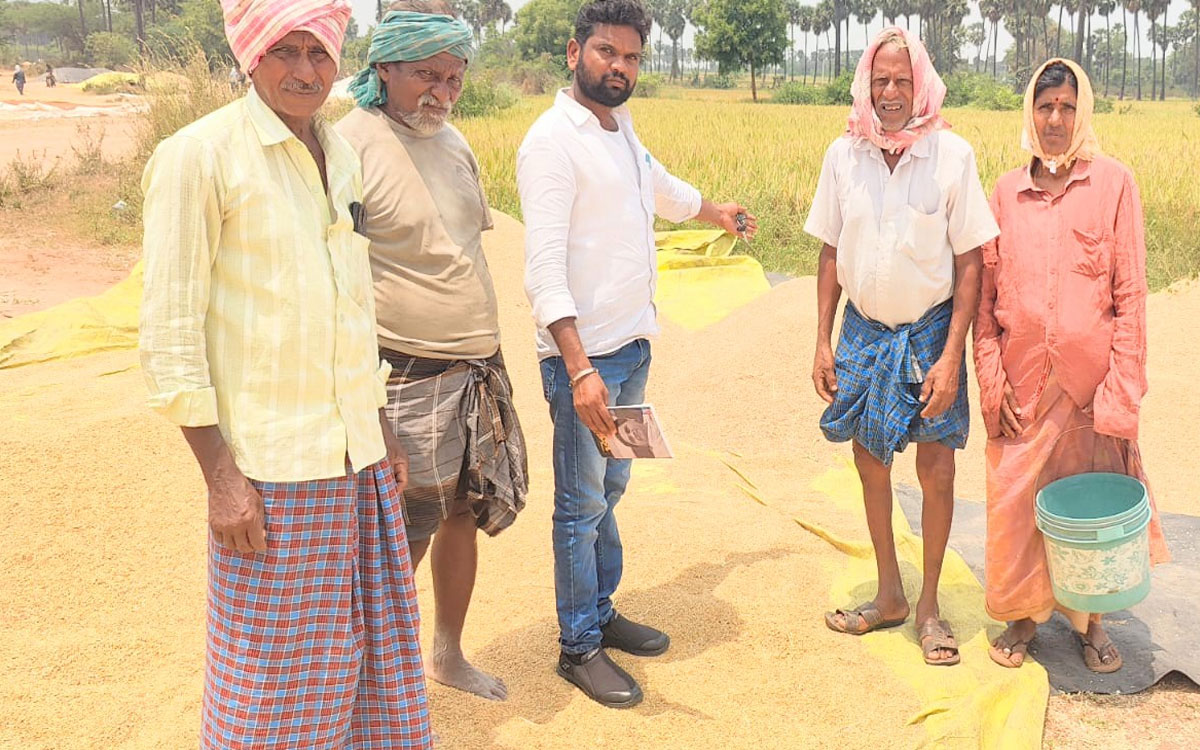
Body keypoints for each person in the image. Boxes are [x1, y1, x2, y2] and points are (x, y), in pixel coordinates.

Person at [138, 1, 432, 746]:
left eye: (320, 52)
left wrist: (383, 427)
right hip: (273, 470)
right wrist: (222, 479)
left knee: (365, 661)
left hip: (356, 459)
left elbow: (350, 308)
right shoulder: (199, 155)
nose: (305, 70)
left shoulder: (342, 153)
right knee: (273, 678)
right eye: (285, 50)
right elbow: (171, 332)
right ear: (250, 55)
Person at [518, 0, 757, 708]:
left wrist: (713, 211)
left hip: (630, 350)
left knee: (612, 488)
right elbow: (542, 271)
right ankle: (578, 646)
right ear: (574, 52)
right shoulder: (549, 143)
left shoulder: (619, 127)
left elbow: (656, 183)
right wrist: (579, 368)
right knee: (580, 501)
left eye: (630, 57)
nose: (619, 67)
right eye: (605, 53)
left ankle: (603, 609)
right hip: (585, 364)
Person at [336, 0, 528, 702]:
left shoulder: (452, 140)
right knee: (397, 540)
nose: (441, 92)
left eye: (455, 77)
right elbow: (338, 281)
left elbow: (464, 247)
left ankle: (446, 655)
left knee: (459, 514)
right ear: (383, 68)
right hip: (404, 376)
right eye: (426, 75)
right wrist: (366, 399)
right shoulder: (348, 146)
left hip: (475, 369)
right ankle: (370, 693)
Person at [805, 26, 999, 666]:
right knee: (869, 459)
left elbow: (972, 263)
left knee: (937, 466)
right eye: (879, 81)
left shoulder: (952, 156)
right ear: (866, 83)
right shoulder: (845, 155)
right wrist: (822, 341)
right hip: (862, 330)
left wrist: (951, 356)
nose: (890, 93)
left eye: (901, 81)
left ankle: (929, 606)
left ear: (921, 85)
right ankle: (889, 594)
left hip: (928, 333)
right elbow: (831, 252)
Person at [975, 58, 1170, 672]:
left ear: (1082, 111)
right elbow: (983, 301)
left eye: (1066, 107)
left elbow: (1130, 294)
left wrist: (1122, 392)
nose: (1055, 119)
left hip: (1091, 389)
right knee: (1016, 502)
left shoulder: (1114, 183)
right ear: (1029, 113)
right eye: (1044, 106)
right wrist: (990, 378)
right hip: (1022, 386)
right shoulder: (1006, 191)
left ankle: (1091, 621)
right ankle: (1021, 617)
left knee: (1088, 509)